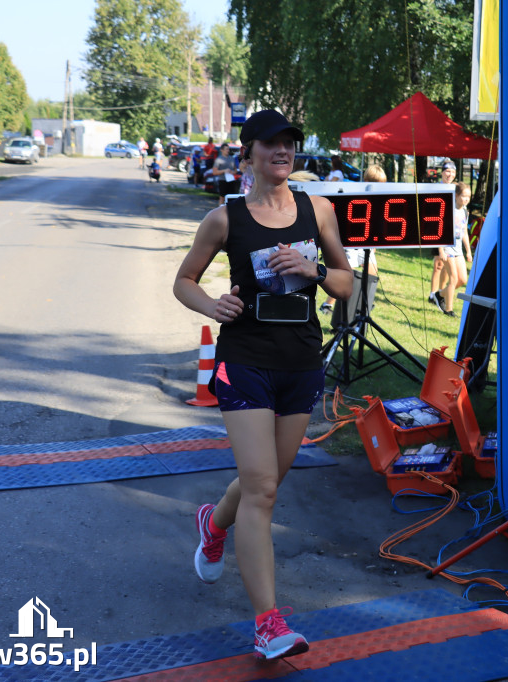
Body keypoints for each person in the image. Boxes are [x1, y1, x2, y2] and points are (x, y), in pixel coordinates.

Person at [173, 109, 352, 662]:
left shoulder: (316, 210)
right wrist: (212, 304)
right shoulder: (224, 219)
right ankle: (268, 624)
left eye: (289, 143)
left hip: (299, 363)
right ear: (247, 153)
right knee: (264, 490)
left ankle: (213, 522)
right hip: (244, 361)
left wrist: (313, 269)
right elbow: (184, 281)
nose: (283, 151)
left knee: (264, 482)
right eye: (271, 144)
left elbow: (348, 284)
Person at [320, 163, 384, 314]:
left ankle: (364, 303)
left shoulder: (380, 198)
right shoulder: (357, 195)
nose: (378, 187)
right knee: (346, 275)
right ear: (367, 180)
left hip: (366, 244)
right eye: (375, 183)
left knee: (372, 272)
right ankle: (327, 304)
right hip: (352, 243)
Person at [433, 181, 473, 317]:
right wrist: (441, 250)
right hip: (447, 248)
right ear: (456, 195)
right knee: (453, 278)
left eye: (468, 196)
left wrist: (468, 251)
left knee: (462, 279)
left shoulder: (465, 212)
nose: (466, 199)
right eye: (463, 196)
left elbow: (464, 233)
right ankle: (448, 309)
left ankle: (439, 295)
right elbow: (440, 230)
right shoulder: (449, 210)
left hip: (458, 250)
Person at [428, 160, 457, 311]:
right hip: (437, 227)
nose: (450, 174)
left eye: (452, 172)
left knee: (445, 265)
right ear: (442, 172)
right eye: (447, 171)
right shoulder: (438, 187)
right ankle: (433, 294)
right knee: (439, 263)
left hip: (450, 228)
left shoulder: (455, 188)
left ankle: (440, 292)